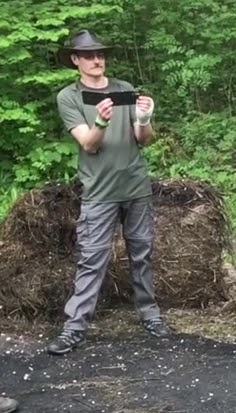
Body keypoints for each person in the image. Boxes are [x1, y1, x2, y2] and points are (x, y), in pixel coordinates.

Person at [49, 30, 170, 356]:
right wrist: (101, 122)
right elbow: (88, 143)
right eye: (88, 55)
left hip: (135, 186)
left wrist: (144, 117)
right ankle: (74, 330)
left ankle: (150, 315)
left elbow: (144, 139)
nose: (96, 60)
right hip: (99, 193)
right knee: (92, 259)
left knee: (142, 254)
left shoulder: (125, 90)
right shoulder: (69, 97)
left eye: (100, 54)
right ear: (75, 60)